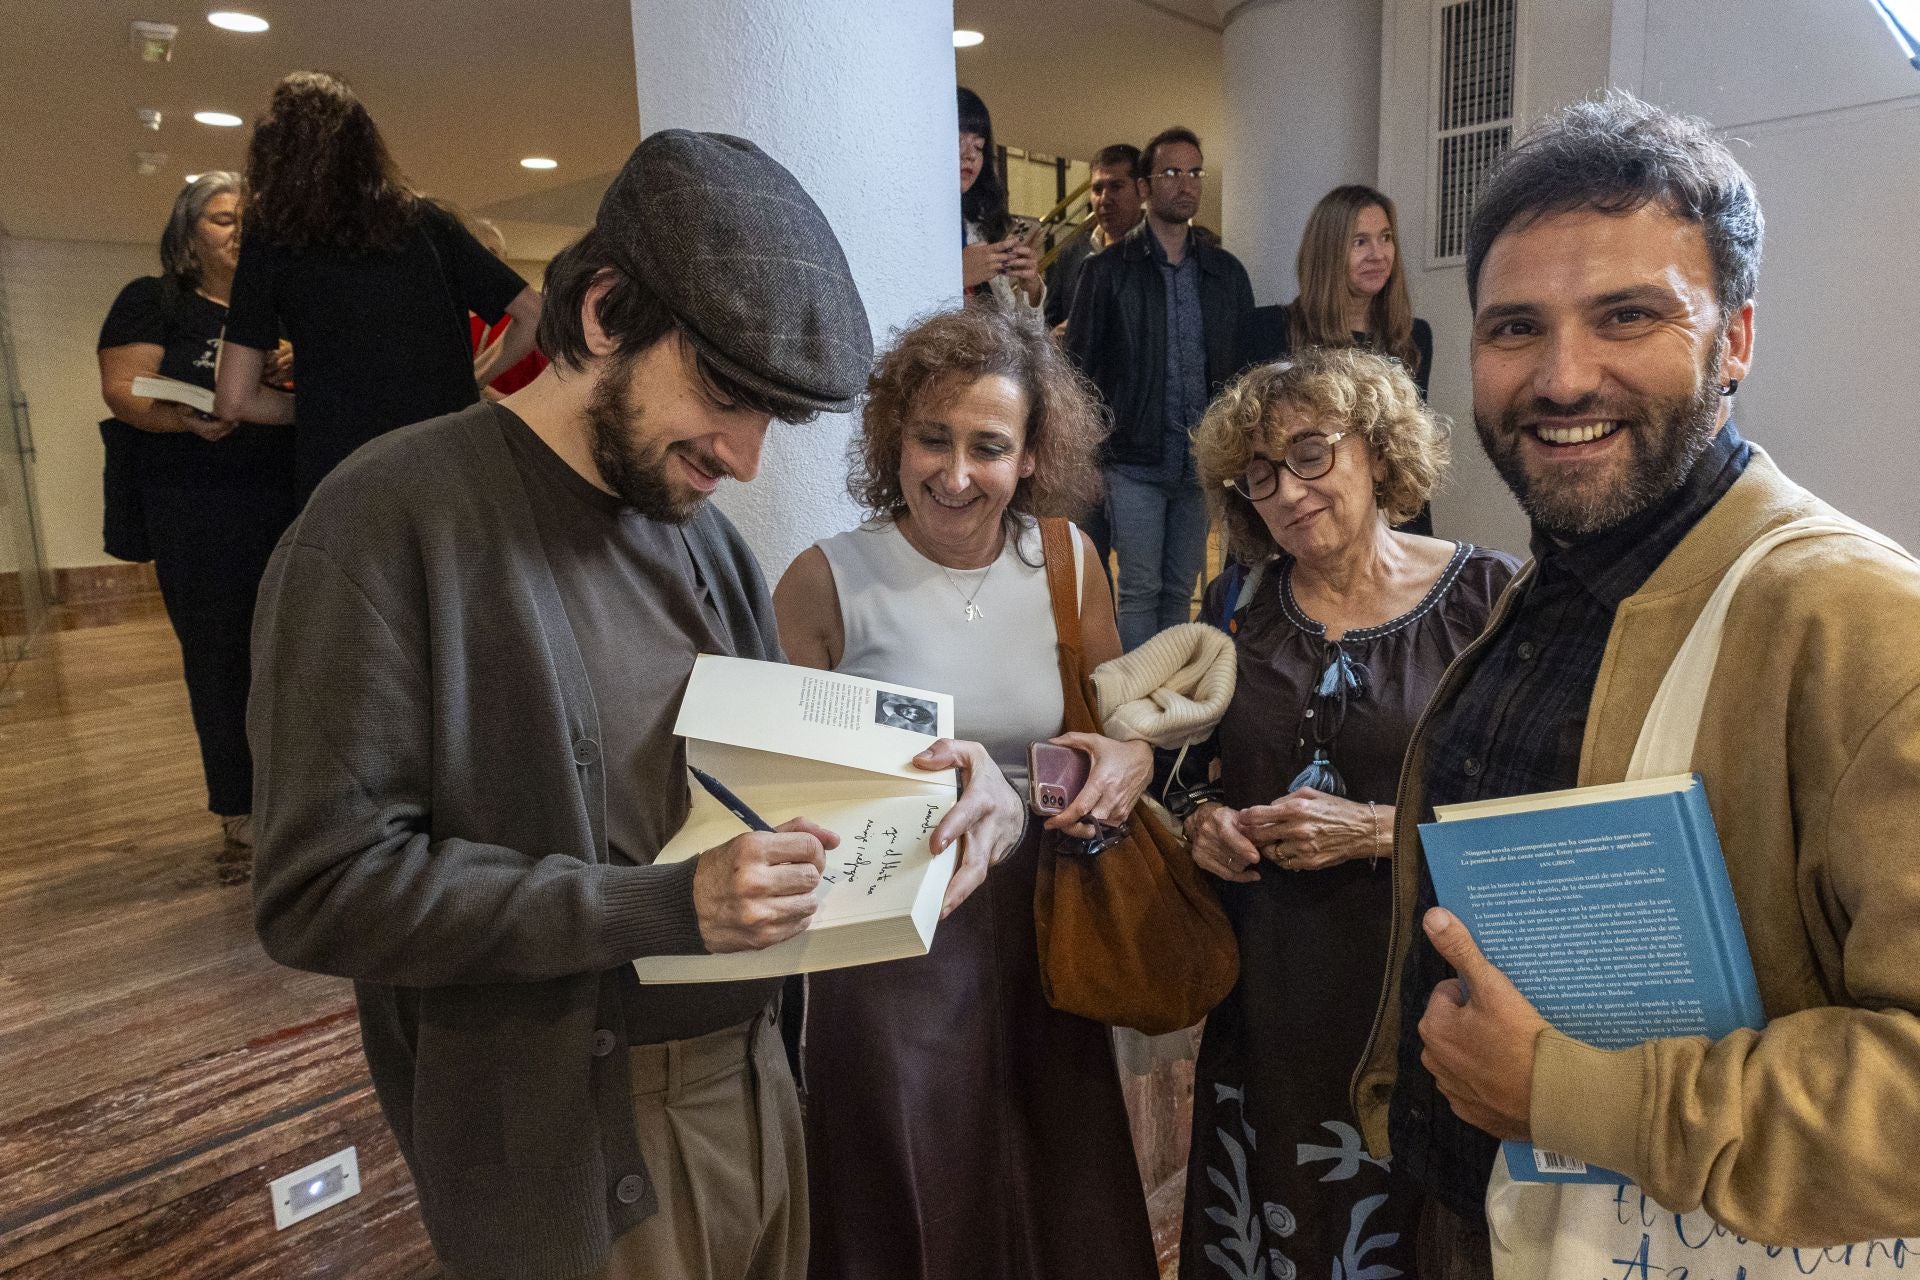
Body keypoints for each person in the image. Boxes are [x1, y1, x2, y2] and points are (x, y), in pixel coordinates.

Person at [248, 130, 1025, 1280]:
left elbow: (764, 794)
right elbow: (322, 891)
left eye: (776, 417)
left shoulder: (699, 538)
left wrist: (952, 791)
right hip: (570, 1144)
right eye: (726, 394)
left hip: (756, 1087)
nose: (749, 460)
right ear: (606, 311)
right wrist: (656, 908)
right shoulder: (382, 522)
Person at [1350, 92, 1920, 1273]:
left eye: (1626, 316)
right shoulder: (1547, 585)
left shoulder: (1860, 624)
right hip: (1479, 1216)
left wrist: (1574, 1092)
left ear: (1737, 338)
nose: (1563, 378)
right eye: (1515, 329)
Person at [775, 306, 1158, 1280]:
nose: (954, 472)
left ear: (1031, 455)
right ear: (893, 436)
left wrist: (1131, 761)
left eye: (987, 446)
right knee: (912, 1184)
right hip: (892, 935)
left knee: (1059, 1183)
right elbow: (779, 792)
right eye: (931, 438)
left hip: (1046, 919)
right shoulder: (827, 580)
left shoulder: (1069, 564)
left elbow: (1110, 733)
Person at [1171, 348, 1515, 1279]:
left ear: (1378, 450)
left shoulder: (1489, 598)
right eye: (1260, 475)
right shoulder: (1241, 605)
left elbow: (1532, 813)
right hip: (1270, 988)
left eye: (1312, 453)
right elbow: (1192, 771)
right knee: (1274, 1209)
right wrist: (1203, 821)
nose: (1288, 490)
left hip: (1416, 985)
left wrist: (1370, 830)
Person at [213, 70, 542, 502]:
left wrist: (325, 409)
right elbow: (533, 316)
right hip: (448, 459)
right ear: (364, 147)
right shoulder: (426, 221)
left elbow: (234, 400)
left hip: (345, 471)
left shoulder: (273, 239)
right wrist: (469, 378)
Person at [95, 172, 296, 850]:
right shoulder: (153, 301)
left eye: (249, 218)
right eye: (221, 218)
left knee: (295, 651)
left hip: (286, 496)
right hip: (196, 504)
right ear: (187, 235)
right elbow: (125, 391)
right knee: (221, 654)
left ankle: (305, 794)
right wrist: (182, 419)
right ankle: (240, 804)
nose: (239, 230)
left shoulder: (280, 307)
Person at [1066, 126, 1255, 651]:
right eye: (1171, 172)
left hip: (1201, 462)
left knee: (1179, 591)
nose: (1185, 183)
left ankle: (1166, 716)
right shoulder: (1106, 273)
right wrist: (1090, 459)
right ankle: (1131, 706)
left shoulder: (1225, 274)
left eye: (1194, 172)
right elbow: (1079, 373)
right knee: (1139, 591)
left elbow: (1243, 371)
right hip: (1133, 461)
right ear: (1147, 186)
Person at [1241, 186, 1435, 533]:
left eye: (1385, 237)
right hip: (1297, 522)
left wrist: (1417, 543)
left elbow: (1409, 455)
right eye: (1360, 242)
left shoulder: (1414, 336)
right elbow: (1250, 456)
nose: (1378, 254)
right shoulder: (1266, 330)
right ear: (1328, 251)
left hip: (1387, 528)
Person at [958, 86, 1045, 319]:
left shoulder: (979, 226)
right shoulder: (914, 222)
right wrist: (955, 275)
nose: (970, 155)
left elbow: (1021, 338)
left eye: (979, 146)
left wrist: (1032, 289)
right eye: (958, 140)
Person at [1043, 142, 1144, 334]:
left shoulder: (1159, 253)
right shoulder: (1071, 254)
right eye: (1097, 189)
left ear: (1143, 191)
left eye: (1116, 187)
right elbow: (1049, 323)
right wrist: (1055, 338)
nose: (1104, 199)